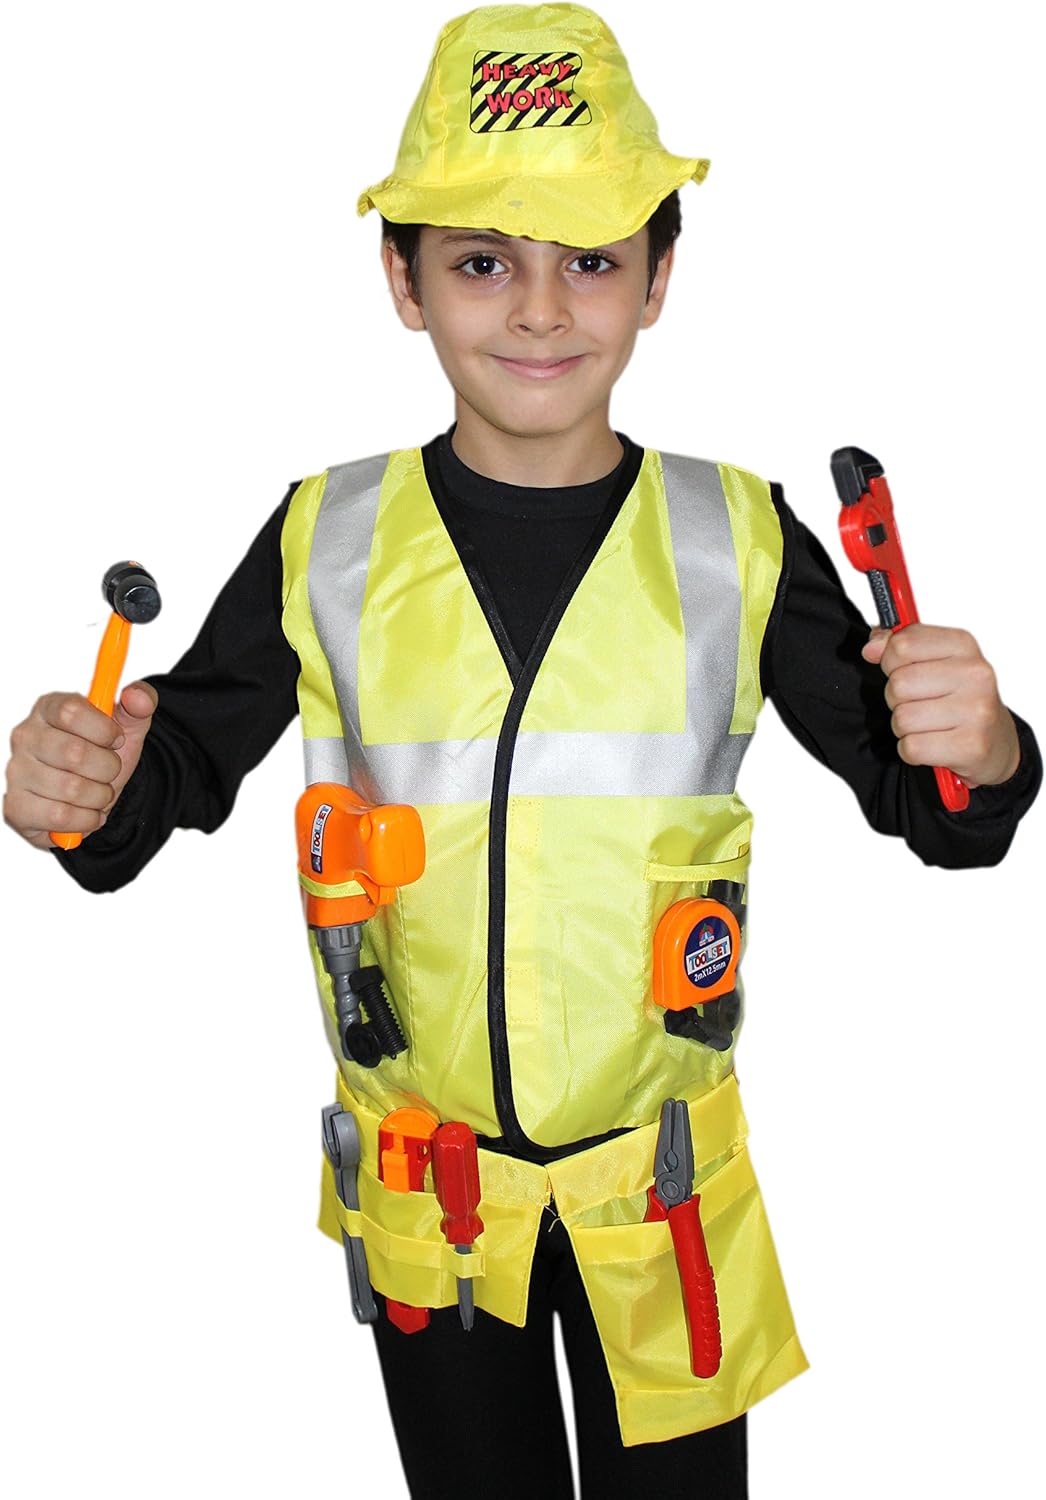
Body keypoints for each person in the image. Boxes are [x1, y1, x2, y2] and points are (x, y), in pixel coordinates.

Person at [3, 5, 1040, 1497]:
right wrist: (81, 792)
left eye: (592, 261)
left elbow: (940, 813)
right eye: (484, 261)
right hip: (431, 1205)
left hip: (659, 1197)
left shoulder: (737, 540)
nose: (541, 312)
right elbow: (156, 783)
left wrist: (985, 748)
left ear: (660, 278)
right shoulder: (326, 538)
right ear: (403, 281)